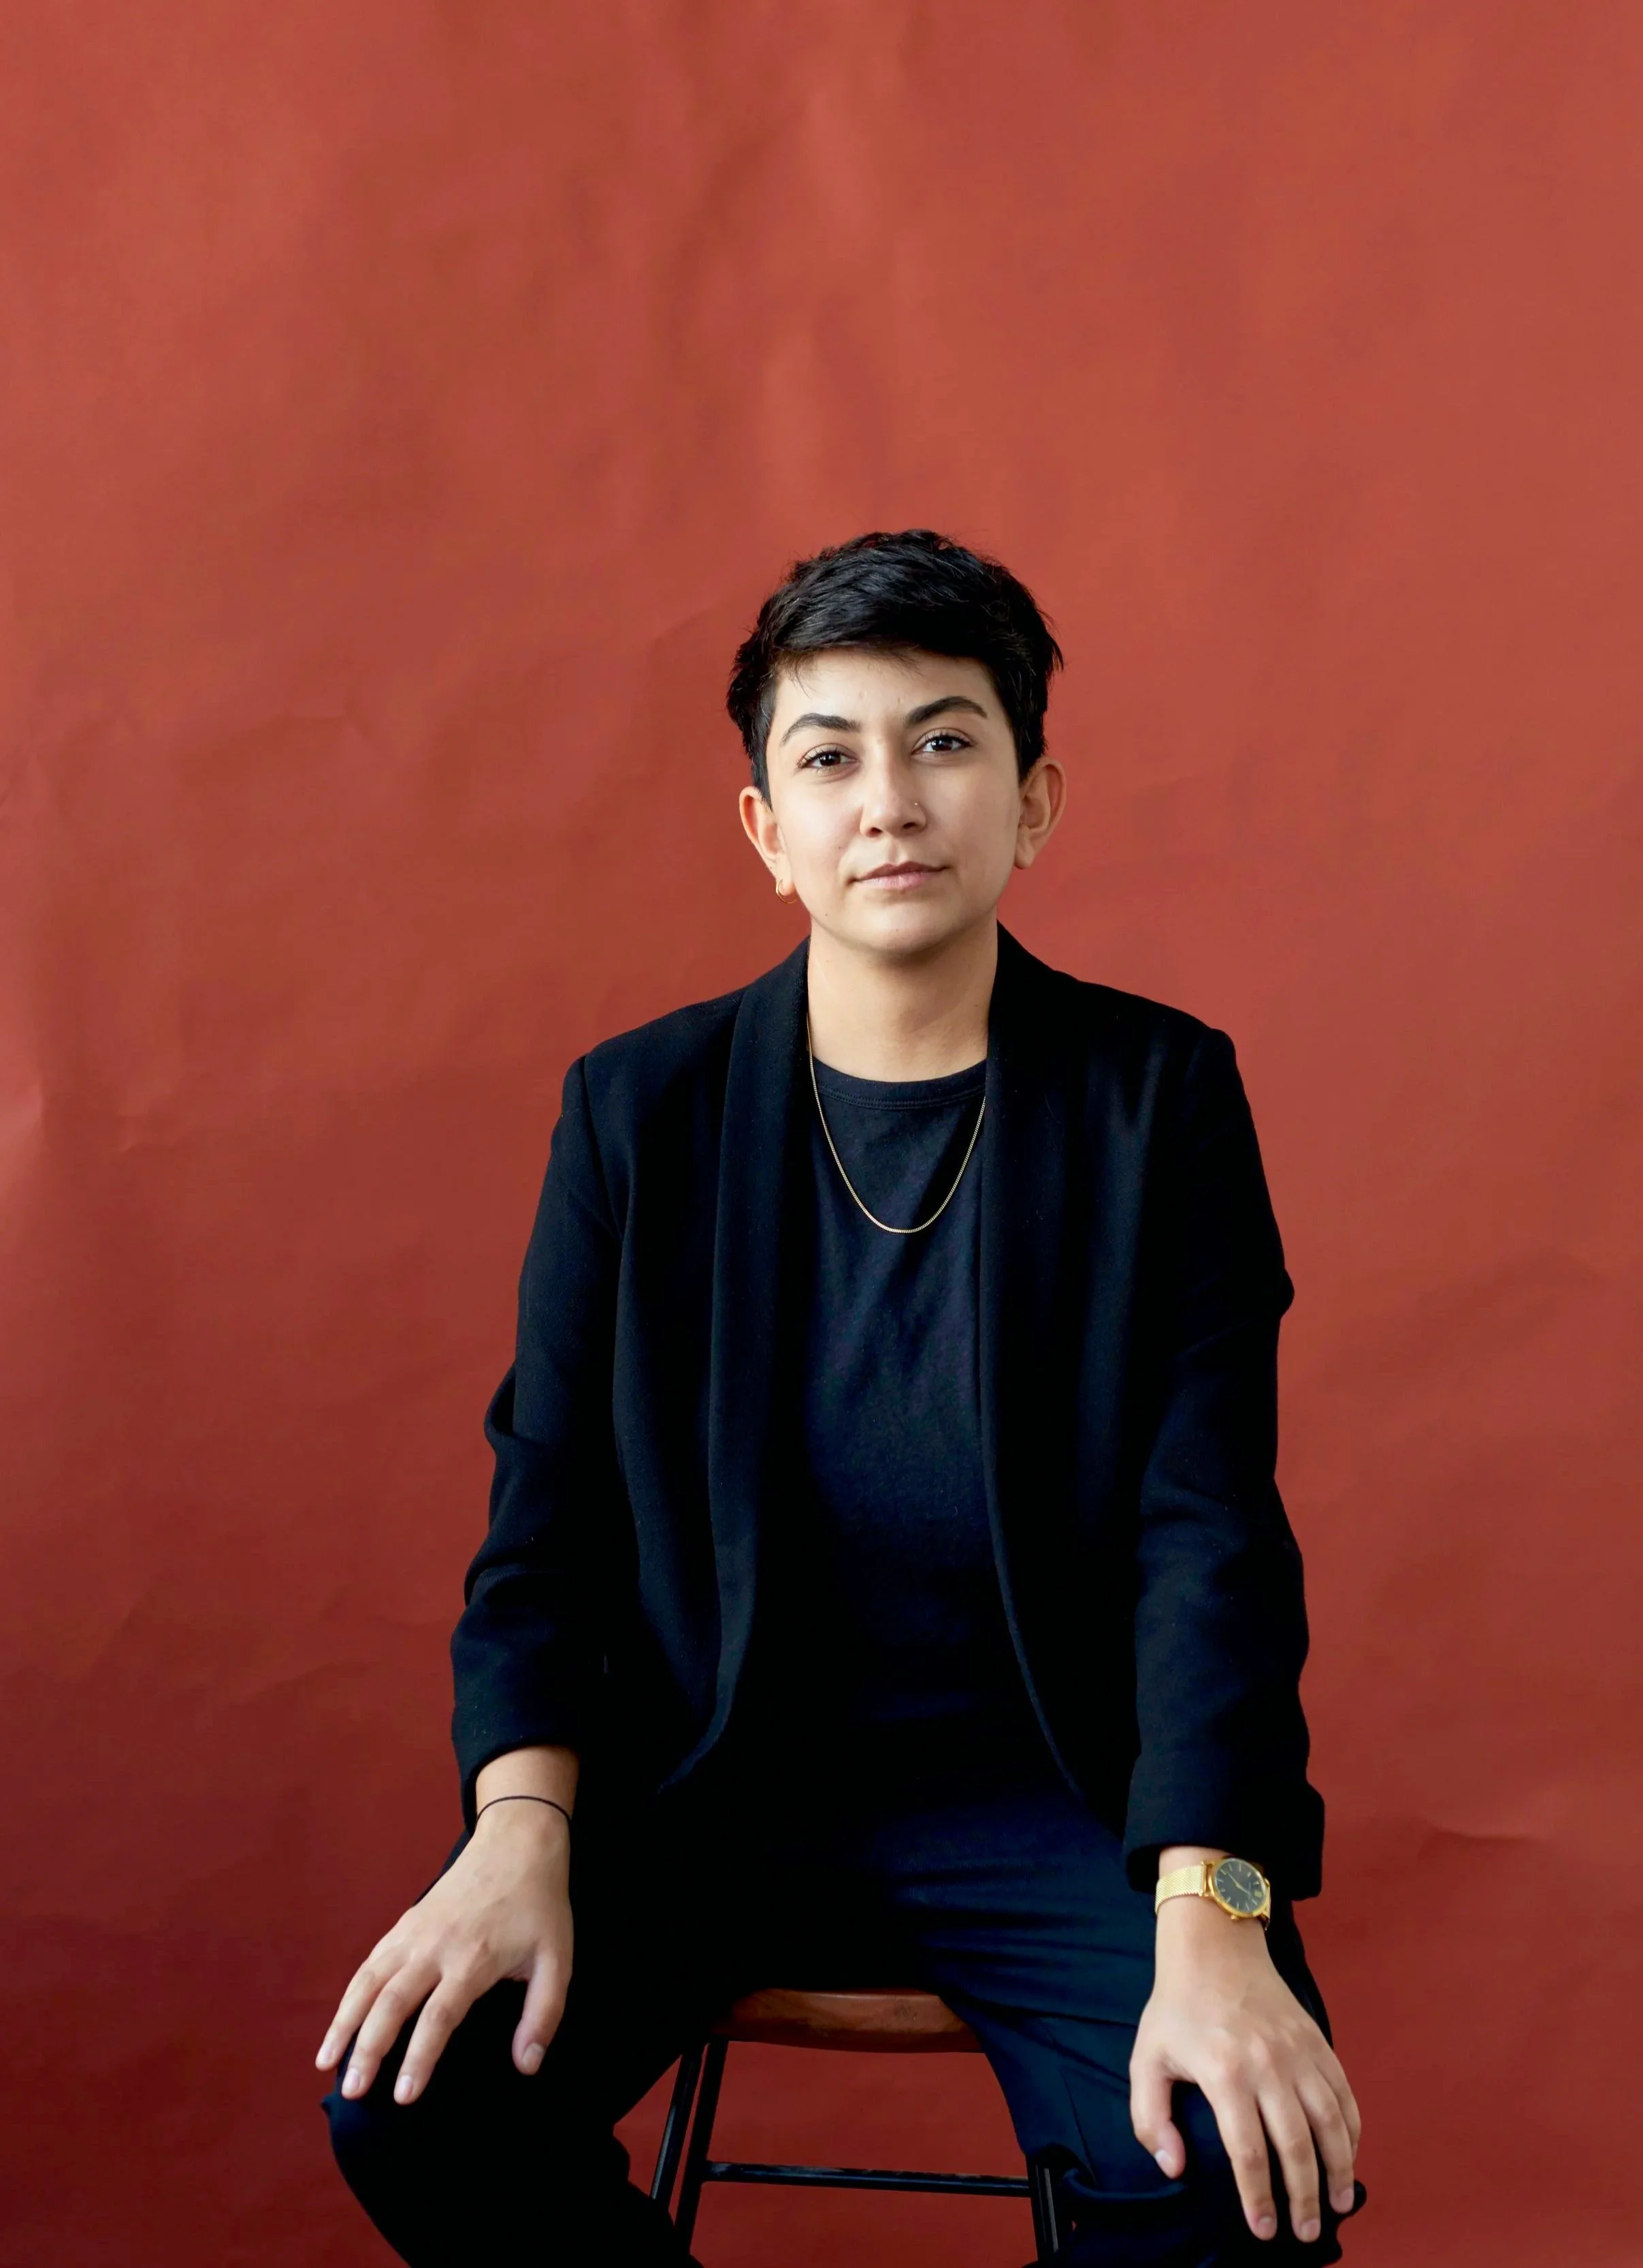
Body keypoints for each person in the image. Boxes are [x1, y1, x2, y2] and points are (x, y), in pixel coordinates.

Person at [317, 529, 1367, 2265]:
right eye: (830, 756)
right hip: (718, 1781)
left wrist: (1213, 1904)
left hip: (1056, 1793)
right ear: (766, 829)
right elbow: (547, 1525)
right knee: (412, 2105)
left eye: (945, 741)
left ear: (1031, 801)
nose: (890, 799)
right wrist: (514, 1832)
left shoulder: (1157, 1101)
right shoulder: (633, 1115)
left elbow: (1210, 1539)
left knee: (1242, 2178)